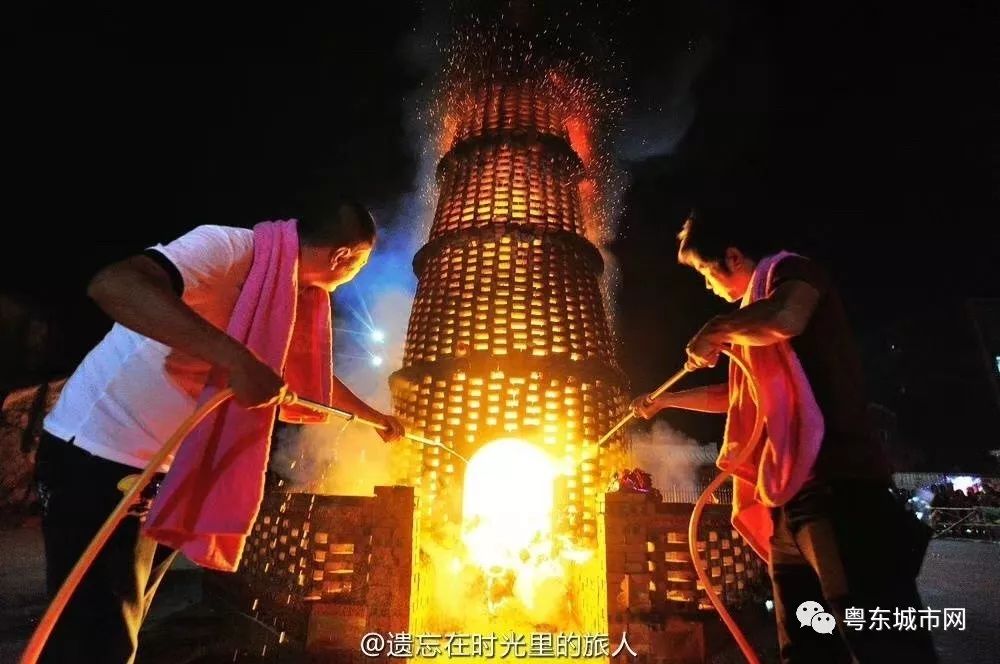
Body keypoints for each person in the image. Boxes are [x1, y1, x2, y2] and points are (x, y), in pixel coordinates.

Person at [34, 193, 405, 663]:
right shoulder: (226, 249)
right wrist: (235, 359)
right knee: (91, 636)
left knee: (124, 617)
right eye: (361, 265)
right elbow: (115, 284)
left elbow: (306, 381)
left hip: (167, 470)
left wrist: (375, 419)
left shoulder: (292, 299)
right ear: (344, 256)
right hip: (97, 456)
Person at [630, 207, 937, 663]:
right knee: (804, 647)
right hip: (788, 503)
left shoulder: (791, 275)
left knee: (883, 639)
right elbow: (733, 395)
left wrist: (718, 329)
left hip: (838, 487)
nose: (708, 287)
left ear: (732, 257)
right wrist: (665, 402)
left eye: (704, 273)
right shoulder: (751, 328)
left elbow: (788, 316)